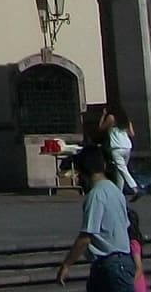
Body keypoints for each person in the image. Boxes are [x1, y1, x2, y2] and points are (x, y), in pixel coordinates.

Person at [56, 145, 136, 291]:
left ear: (82, 171)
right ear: (103, 165)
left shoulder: (96, 195)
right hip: (116, 261)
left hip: (111, 264)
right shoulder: (115, 191)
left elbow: (86, 237)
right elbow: (126, 225)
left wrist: (66, 265)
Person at [103, 106, 141, 198]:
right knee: (120, 171)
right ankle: (119, 193)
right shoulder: (126, 121)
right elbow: (132, 134)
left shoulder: (111, 118)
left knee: (122, 169)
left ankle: (135, 188)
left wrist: (103, 115)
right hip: (127, 146)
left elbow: (101, 127)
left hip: (116, 147)